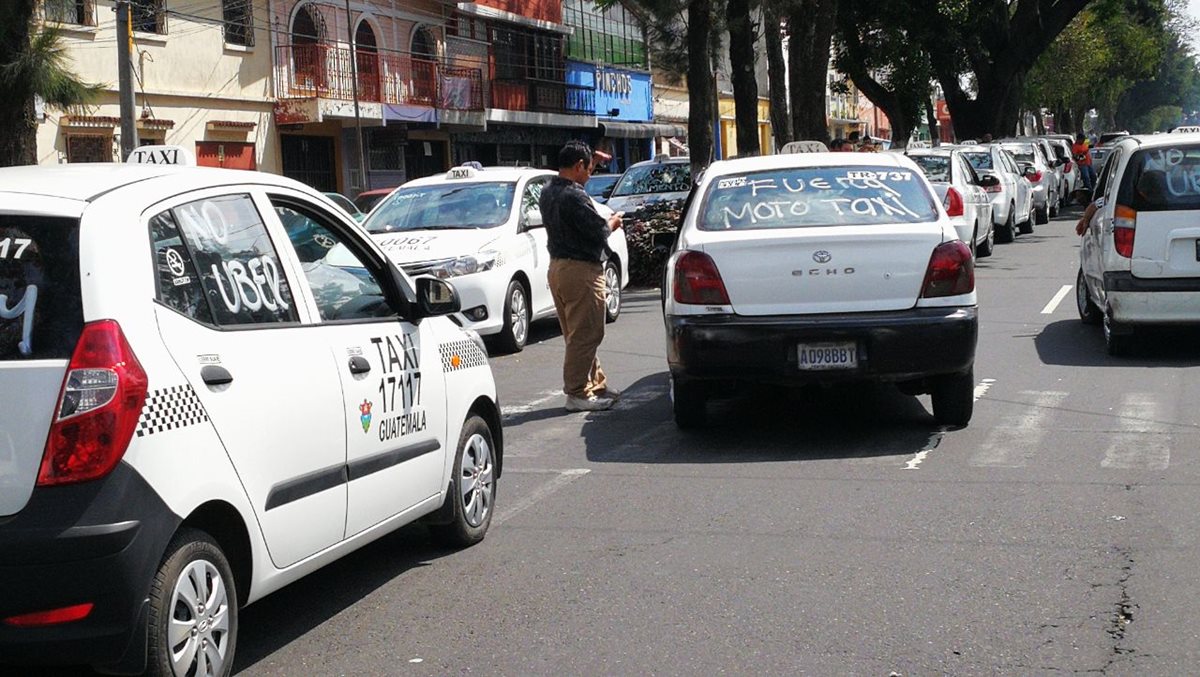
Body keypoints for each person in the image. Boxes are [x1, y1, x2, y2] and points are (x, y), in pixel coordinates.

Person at [539, 140, 624, 412]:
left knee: (578, 332)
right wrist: (614, 221)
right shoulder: (573, 196)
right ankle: (576, 392)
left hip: (558, 269)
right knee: (587, 333)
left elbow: (575, 175)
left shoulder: (548, 190)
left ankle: (594, 384)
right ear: (578, 166)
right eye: (588, 169)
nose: (590, 174)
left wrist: (593, 159)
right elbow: (599, 231)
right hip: (581, 270)